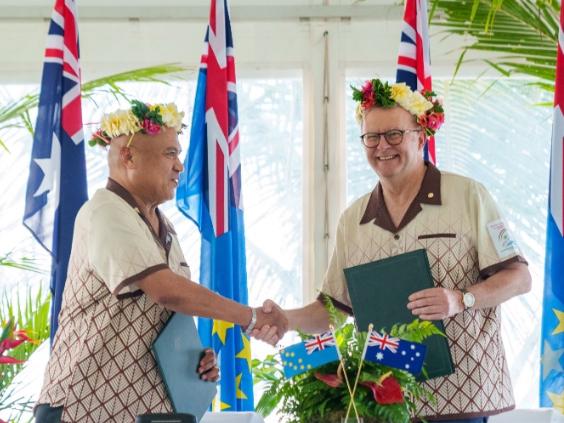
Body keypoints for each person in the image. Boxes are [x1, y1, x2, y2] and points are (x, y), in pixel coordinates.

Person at [254, 79, 531, 423]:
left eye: (394, 135)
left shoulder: (469, 196)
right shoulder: (352, 220)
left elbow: (519, 278)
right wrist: (288, 318)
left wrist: (461, 299)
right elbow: (335, 310)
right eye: (372, 137)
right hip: (384, 403)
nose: (382, 146)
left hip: (464, 398)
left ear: (421, 135)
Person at [35, 100, 287, 423]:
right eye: (170, 154)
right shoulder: (105, 211)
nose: (180, 166)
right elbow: (166, 290)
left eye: (179, 154)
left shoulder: (163, 226)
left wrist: (192, 360)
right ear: (128, 156)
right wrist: (249, 317)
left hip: (142, 413)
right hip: (79, 410)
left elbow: (166, 313)